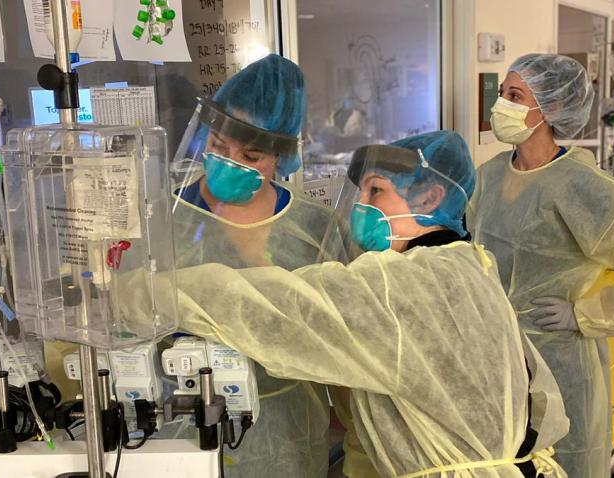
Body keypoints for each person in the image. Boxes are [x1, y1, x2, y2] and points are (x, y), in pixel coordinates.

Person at [133, 131, 572, 477]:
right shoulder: (466, 262)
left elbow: (273, 309)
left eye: (376, 192)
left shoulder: (403, 285)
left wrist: (140, 294)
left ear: (429, 199)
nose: (359, 207)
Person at [467, 53, 614, 478]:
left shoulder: (582, 185)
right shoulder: (489, 176)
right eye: (502, 95)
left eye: (515, 96)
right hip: (496, 355)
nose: (502, 107)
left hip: (558, 356)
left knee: (561, 462)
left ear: (550, 110)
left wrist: (584, 314)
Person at [170, 54, 347, 478]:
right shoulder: (168, 215)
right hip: (183, 421)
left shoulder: (312, 228)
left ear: (280, 159)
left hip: (286, 431)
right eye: (218, 146)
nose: (230, 162)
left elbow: (339, 335)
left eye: (251, 156)